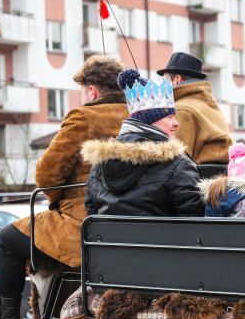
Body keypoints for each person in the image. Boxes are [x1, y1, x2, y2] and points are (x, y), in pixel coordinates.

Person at [0, 55, 129, 319]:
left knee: (7, 239)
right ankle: (40, 317)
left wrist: (57, 203)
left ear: (92, 91)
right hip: (127, 226)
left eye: (82, 90)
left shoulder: (84, 116)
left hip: (85, 223)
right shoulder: (139, 116)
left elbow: (47, 173)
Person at [82, 68, 203, 217]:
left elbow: (92, 213)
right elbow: (194, 220)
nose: (176, 123)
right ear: (151, 121)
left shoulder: (99, 164)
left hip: (108, 240)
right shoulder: (178, 164)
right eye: (170, 117)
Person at [157, 52, 232, 164]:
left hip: (198, 178)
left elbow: (176, 163)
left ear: (178, 79)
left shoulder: (181, 109)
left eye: (165, 81)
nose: (162, 86)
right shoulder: (209, 104)